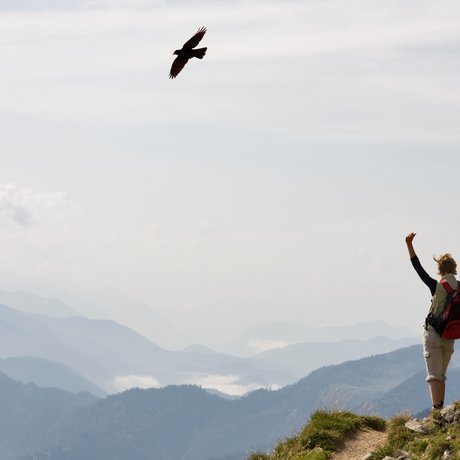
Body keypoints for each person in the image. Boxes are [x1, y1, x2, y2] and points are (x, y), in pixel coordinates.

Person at [405, 232, 457, 410]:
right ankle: (441, 410)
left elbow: (417, 267)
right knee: (441, 374)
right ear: (455, 268)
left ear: (440, 270)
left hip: (434, 333)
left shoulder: (437, 286)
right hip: (451, 335)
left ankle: (437, 410)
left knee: (434, 375)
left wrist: (409, 244)